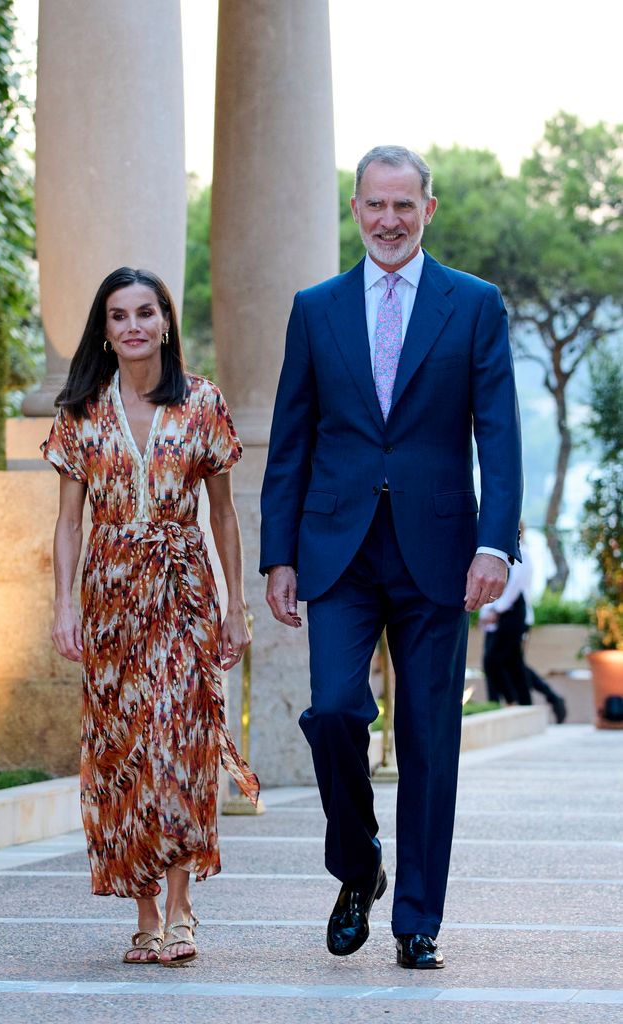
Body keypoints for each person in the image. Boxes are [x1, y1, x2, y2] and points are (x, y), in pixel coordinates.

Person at [260, 146, 522, 970]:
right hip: (334, 547)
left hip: (439, 552)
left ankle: (417, 920)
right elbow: (291, 439)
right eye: (375, 205)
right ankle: (358, 863)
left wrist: (495, 544)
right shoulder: (315, 307)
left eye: (404, 206)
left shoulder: (473, 305)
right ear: (355, 208)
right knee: (334, 711)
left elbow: (500, 435)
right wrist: (278, 554)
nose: (388, 220)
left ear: (428, 210)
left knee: (427, 737)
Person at [42, 267, 259, 967]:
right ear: (103, 332)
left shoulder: (203, 404)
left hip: (183, 590)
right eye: (117, 316)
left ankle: (181, 910)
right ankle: (143, 917)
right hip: (110, 600)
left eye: (144, 312)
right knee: (123, 755)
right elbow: (68, 524)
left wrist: (236, 608)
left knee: (179, 745)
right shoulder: (80, 411)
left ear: (165, 320)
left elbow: (222, 513)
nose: (132, 326)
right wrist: (64, 605)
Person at [480, 527, 567, 722]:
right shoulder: (497, 553)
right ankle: (529, 703)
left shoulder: (522, 555)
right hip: (499, 618)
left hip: (511, 617)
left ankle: (514, 702)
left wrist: (495, 610)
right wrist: (487, 612)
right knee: (512, 664)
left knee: (497, 662)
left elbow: (513, 586)